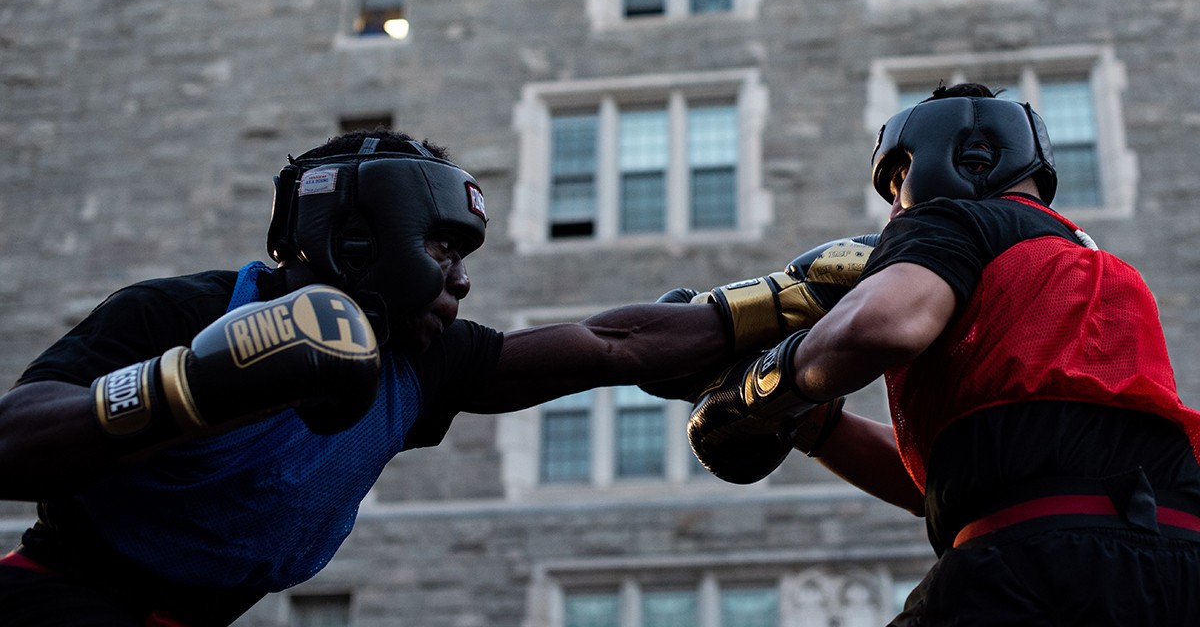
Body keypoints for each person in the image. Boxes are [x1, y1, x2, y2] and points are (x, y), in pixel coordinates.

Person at [0, 128, 868, 626]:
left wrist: (783, 300)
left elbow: (612, 344)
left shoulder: (426, 362)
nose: (459, 279)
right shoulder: (178, 312)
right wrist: (192, 386)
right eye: (442, 247)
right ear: (359, 239)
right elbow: (15, 437)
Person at [688, 84, 1200, 625]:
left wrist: (757, 390)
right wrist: (809, 425)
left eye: (898, 179)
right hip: (1181, 563)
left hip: (1034, 568)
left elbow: (881, 327)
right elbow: (947, 489)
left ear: (965, 157)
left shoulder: (948, 225)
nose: (894, 207)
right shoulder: (1100, 274)